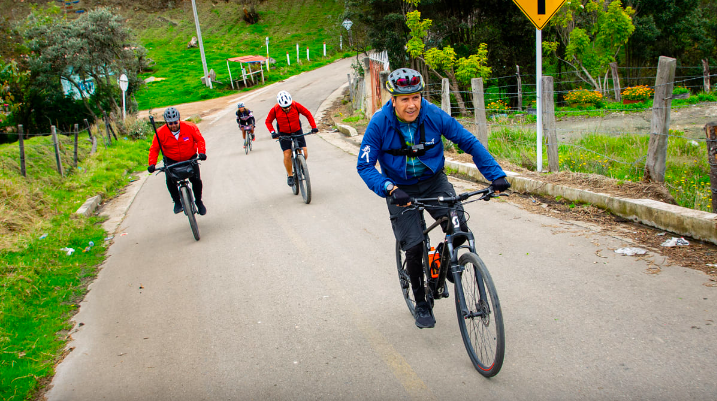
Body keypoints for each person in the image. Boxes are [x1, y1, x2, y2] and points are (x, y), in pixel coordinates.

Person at [356, 68, 511, 329]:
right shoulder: (379, 123)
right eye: (404, 99)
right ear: (393, 99)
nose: (411, 104)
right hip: (399, 188)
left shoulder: (433, 114)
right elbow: (365, 166)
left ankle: (451, 261)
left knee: (459, 228)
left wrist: (495, 175)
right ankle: (422, 302)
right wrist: (389, 187)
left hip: (433, 182)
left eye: (415, 97)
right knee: (415, 247)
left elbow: (468, 142)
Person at [148, 107, 208, 215]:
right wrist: (152, 163)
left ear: (179, 120)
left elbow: (199, 140)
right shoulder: (160, 133)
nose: (173, 125)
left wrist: (202, 152)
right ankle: (177, 202)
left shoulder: (190, 127)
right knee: (170, 181)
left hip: (190, 158)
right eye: (170, 123)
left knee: (196, 180)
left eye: (175, 122)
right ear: (166, 122)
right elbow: (154, 149)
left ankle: (198, 201)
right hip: (171, 160)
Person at [264, 90, 319, 186]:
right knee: (287, 154)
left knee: (304, 152)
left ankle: (302, 165)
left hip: (297, 130)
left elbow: (308, 114)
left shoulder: (296, 105)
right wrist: (273, 132)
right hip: (283, 133)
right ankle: (290, 175)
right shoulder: (275, 109)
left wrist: (313, 127)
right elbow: (268, 121)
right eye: (284, 108)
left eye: (288, 106)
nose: (287, 109)